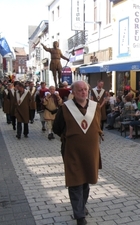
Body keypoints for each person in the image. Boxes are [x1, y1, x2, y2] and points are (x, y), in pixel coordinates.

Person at [53, 81, 102, 225]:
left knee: (86, 180)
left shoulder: (95, 107)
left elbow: (98, 125)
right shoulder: (65, 108)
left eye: (85, 89)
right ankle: (79, 216)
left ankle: (81, 206)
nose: (83, 92)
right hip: (72, 152)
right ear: (73, 92)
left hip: (90, 152)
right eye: (79, 90)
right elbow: (57, 128)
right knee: (75, 182)